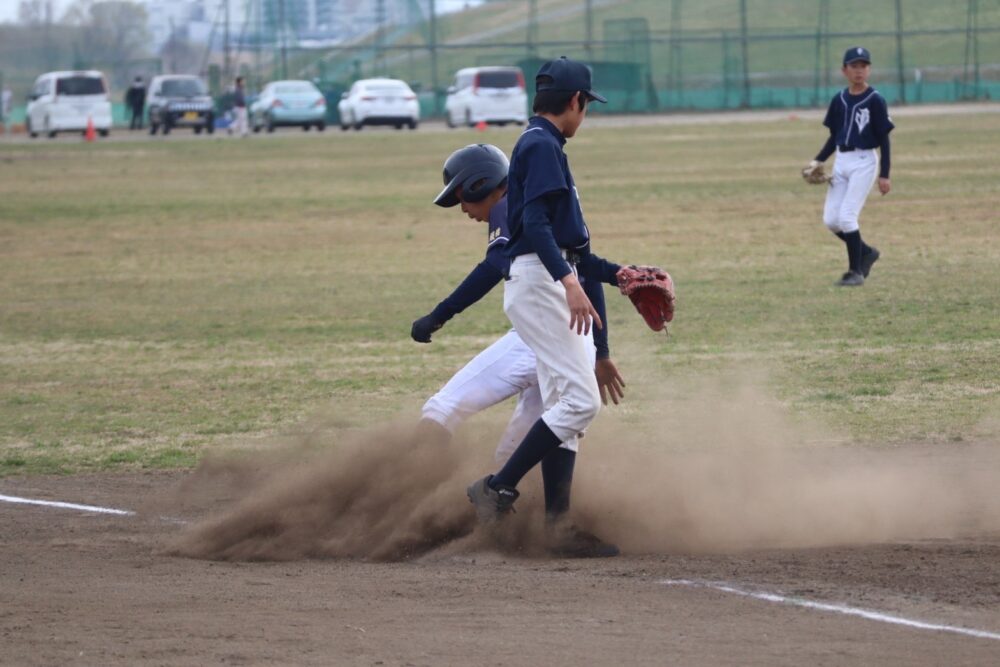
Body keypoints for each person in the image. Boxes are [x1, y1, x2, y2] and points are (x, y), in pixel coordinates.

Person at [411, 143, 625, 557]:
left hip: (543, 337)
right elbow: (586, 272)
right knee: (535, 437)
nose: (461, 208)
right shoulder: (536, 205)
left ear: (482, 184)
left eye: (461, 196)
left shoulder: (509, 206)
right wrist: (599, 351)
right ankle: (540, 525)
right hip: (557, 335)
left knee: (443, 412)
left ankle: (420, 504)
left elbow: (494, 268)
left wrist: (438, 315)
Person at [464, 57, 630, 556]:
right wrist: (570, 283)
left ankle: (558, 527)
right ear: (575, 101)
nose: (586, 115)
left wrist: (617, 274)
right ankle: (495, 488)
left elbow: (568, 241)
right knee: (581, 403)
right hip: (542, 282)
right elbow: (533, 225)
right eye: (587, 106)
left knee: (566, 407)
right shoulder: (539, 145)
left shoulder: (543, 143)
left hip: (550, 277)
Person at [806, 46, 893, 287]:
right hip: (842, 161)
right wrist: (817, 160)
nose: (859, 70)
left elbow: (884, 138)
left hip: (864, 161)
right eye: (854, 66)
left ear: (869, 69)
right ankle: (866, 252)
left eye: (863, 66)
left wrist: (885, 174)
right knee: (831, 220)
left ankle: (855, 272)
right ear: (844, 70)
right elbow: (835, 136)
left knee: (847, 217)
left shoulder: (875, 100)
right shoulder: (839, 99)